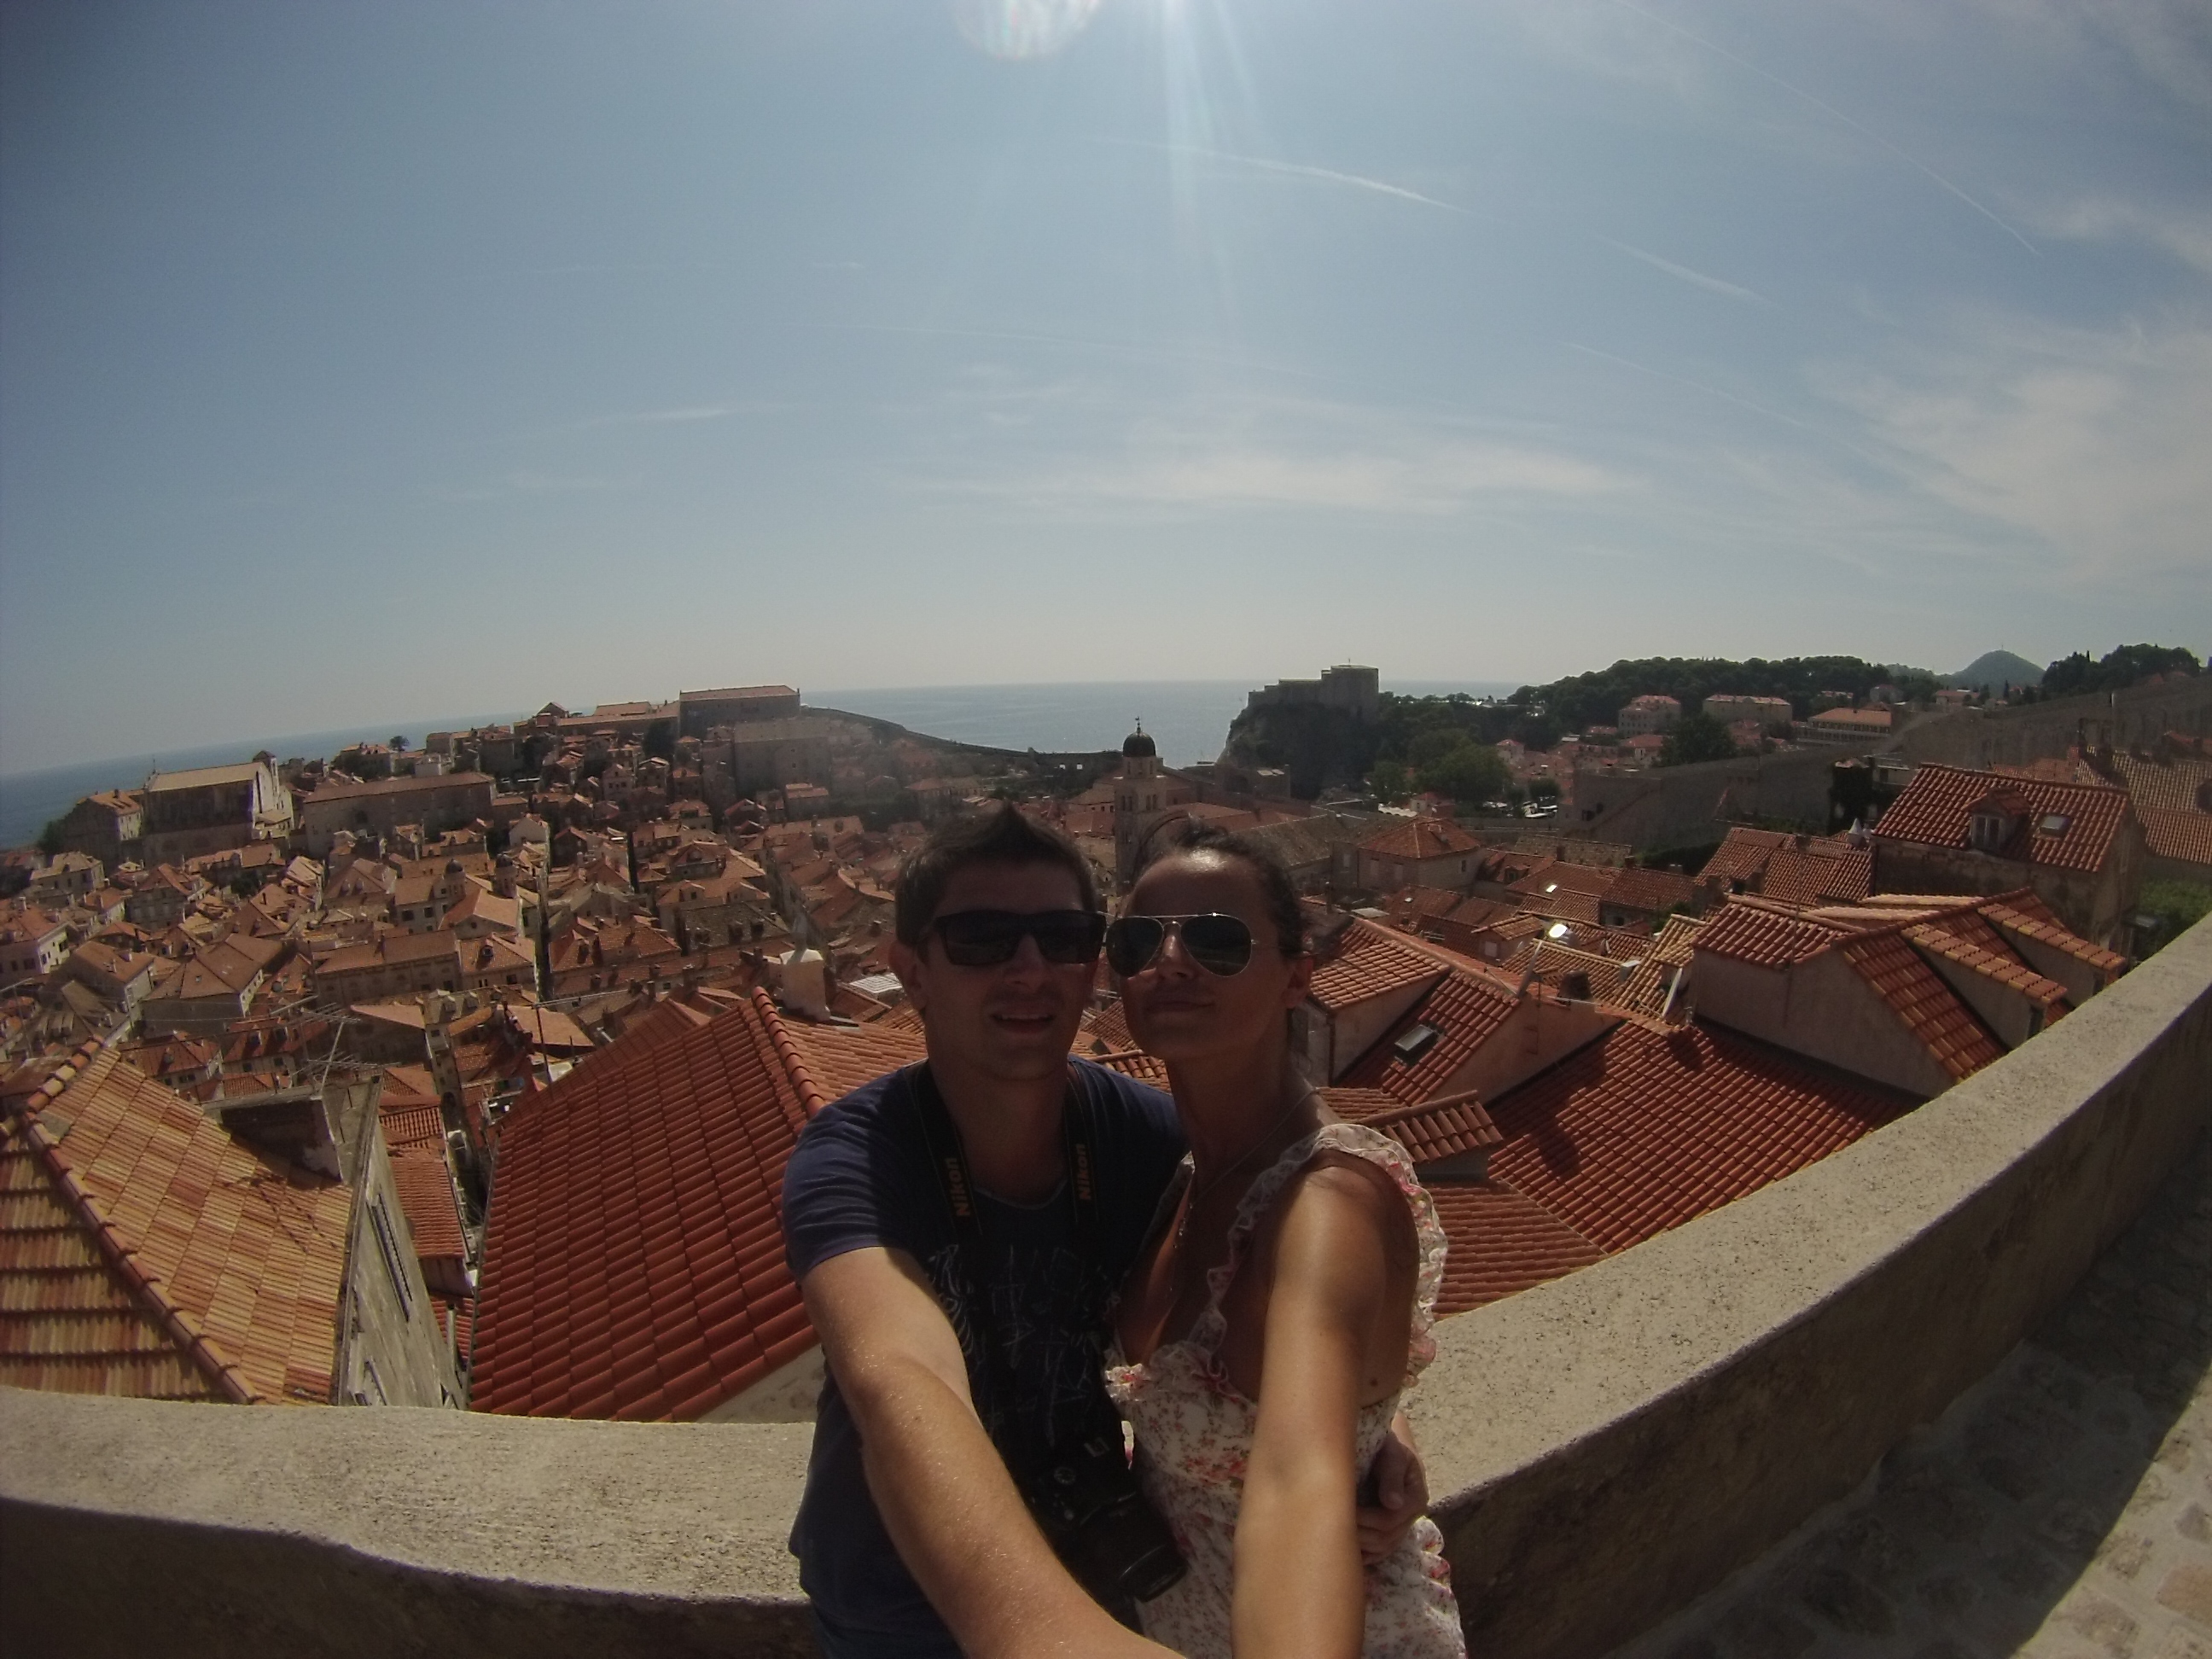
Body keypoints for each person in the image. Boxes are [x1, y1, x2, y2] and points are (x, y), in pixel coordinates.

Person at [783, 803, 1430, 1658]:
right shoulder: (858, 1157)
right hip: (901, 1614)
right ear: (911, 971)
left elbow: (1302, 1367)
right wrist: (1041, 1637)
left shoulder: (1153, 1142)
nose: (1028, 969)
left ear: (1091, 965)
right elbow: (900, 1379)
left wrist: (1370, 1422)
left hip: (1116, 1585)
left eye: (1063, 938)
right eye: (980, 939)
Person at [1104, 821, 1464, 1658]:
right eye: (1138, 942)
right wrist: (1381, 1429)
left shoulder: (1327, 1205)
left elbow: (1298, 1482)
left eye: (1217, 941)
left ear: (1297, 976)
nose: (1170, 962)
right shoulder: (1188, 1173)